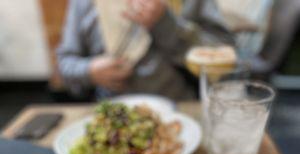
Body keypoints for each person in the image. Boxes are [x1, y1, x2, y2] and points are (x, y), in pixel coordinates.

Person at [56, 0, 234, 100]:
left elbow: (226, 58)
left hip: (181, 108)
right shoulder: (83, 4)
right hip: (110, 111)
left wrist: (167, 24)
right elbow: (65, 63)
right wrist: (90, 71)